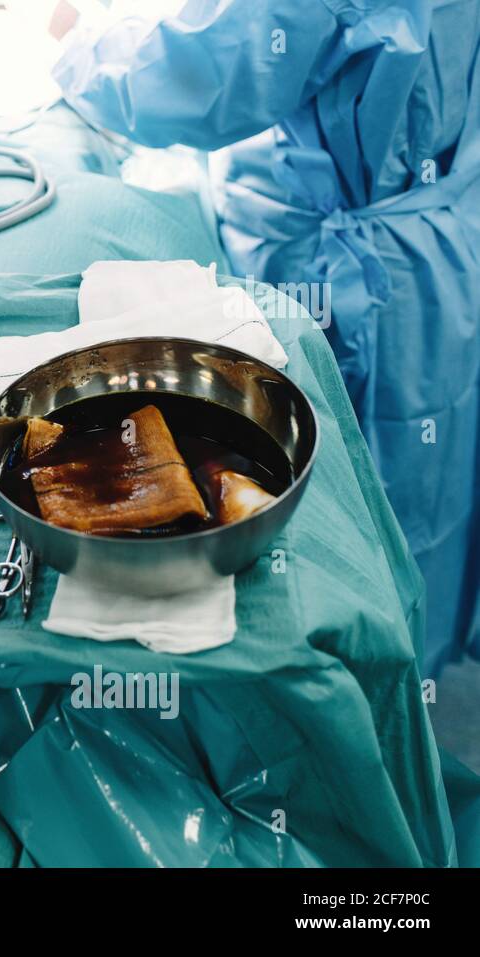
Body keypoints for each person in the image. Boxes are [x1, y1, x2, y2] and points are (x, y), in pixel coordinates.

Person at [45, 0, 480, 676]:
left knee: (359, 514)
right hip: (434, 241)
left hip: (357, 277)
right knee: (423, 487)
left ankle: (365, 716)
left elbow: (204, 74)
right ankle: (406, 686)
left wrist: (79, 43)